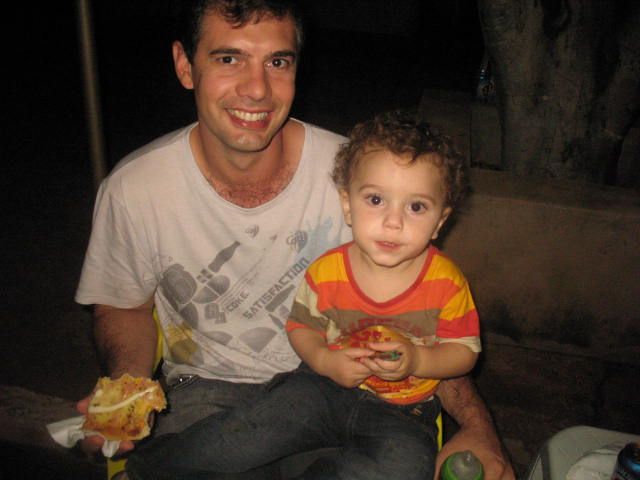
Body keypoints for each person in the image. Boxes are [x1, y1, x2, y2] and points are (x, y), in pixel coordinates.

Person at [74, 1, 515, 479]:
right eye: (229, 58)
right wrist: (126, 391)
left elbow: (422, 306)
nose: (257, 88)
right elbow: (124, 306)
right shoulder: (136, 188)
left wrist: (478, 426)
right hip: (208, 391)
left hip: (349, 388)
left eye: (277, 62)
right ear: (185, 65)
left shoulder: (364, 181)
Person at [124, 110, 482, 480]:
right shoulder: (328, 271)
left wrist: (418, 360)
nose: (394, 221)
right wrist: (325, 360)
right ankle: (147, 469)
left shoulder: (446, 283)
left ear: (440, 221)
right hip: (320, 388)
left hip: (403, 411)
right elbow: (302, 327)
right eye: (376, 200)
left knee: (405, 468)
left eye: (416, 207)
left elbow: (464, 352)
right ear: (347, 205)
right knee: (247, 433)